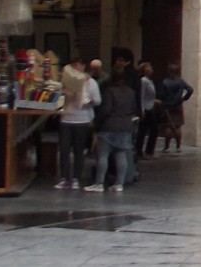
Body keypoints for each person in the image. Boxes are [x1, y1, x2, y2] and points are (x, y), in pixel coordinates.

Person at [85, 66, 139, 193]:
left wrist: (96, 123)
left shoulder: (110, 92)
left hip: (110, 126)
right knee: (121, 154)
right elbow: (134, 108)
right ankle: (119, 184)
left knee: (103, 155)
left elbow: (106, 110)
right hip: (126, 126)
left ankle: (99, 183)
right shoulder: (131, 92)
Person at [54, 57, 101, 189]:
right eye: (73, 65)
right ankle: (64, 178)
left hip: (82, 120)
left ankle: (76, 178)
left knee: (79, 150)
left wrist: (88, 99)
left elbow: (98, 100)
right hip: (66, 119)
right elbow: (59, 95)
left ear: (83, 66)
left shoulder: (91, 82)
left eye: (77, 65)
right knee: (64, 150)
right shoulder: (65, 80)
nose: (75, 68)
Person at [156, 70, 193, 153]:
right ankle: (178, 146)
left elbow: (161, 94)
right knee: (178, 125)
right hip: (178, 105)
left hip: (168, 105)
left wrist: (162, 102)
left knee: (169, 126)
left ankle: (167, 147)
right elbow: (190, 90)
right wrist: (184, 98)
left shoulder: (165, 82)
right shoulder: (181, 82)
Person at [136, 62, 160, 160]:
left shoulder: (150, 81)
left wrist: (154, 101)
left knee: (145, 129)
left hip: (150, 106)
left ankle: (144, 150)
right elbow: (142, 95)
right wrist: (141, 110)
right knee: (148, 129)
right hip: (146, 108)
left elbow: (150, 96)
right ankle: (144, 151)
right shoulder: (144, 81)